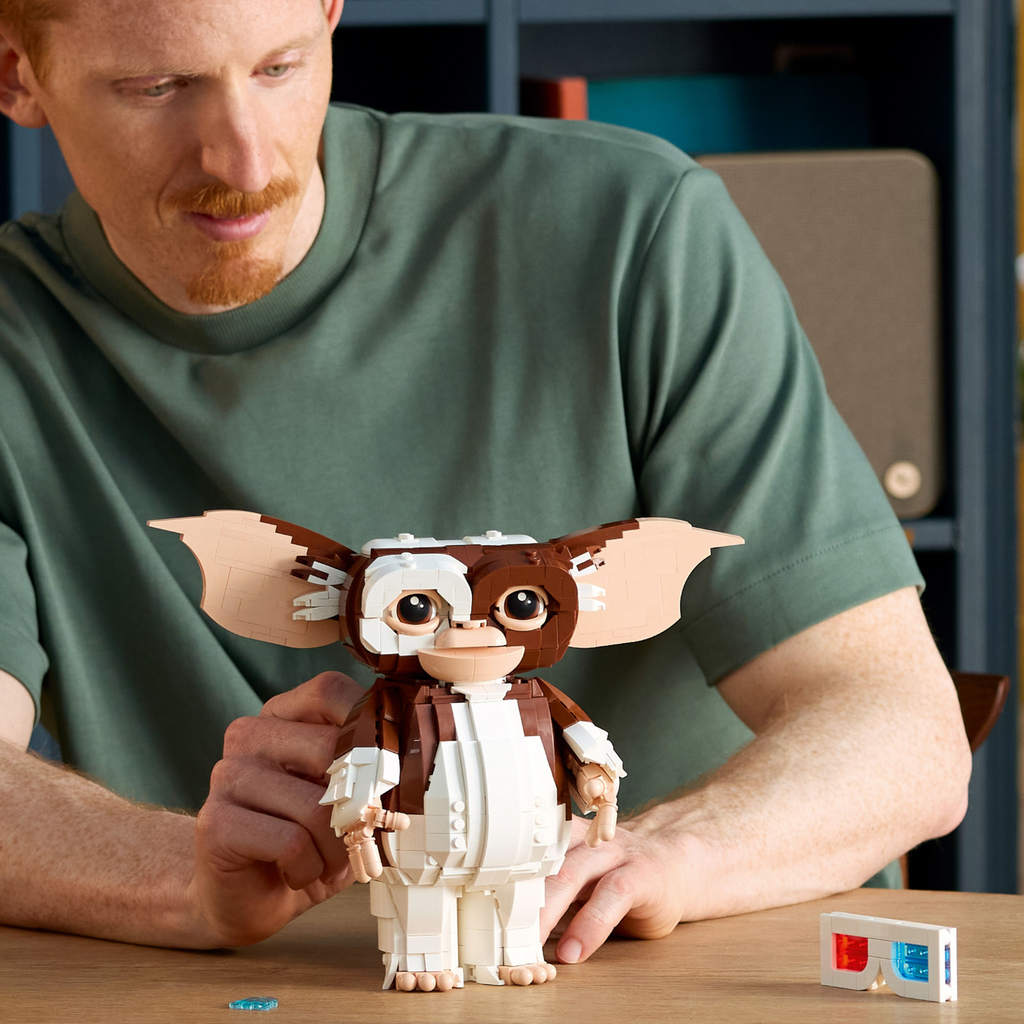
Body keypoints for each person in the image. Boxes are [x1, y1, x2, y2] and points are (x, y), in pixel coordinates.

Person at [0, 0, 970, 971]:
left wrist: (658, 857)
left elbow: (904, 733)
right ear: (16, 74)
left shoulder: (628, 224)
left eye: (280, 68)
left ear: (331, 12)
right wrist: (187, 878)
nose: (245, 163)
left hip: (700, 977)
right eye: (156, 88)